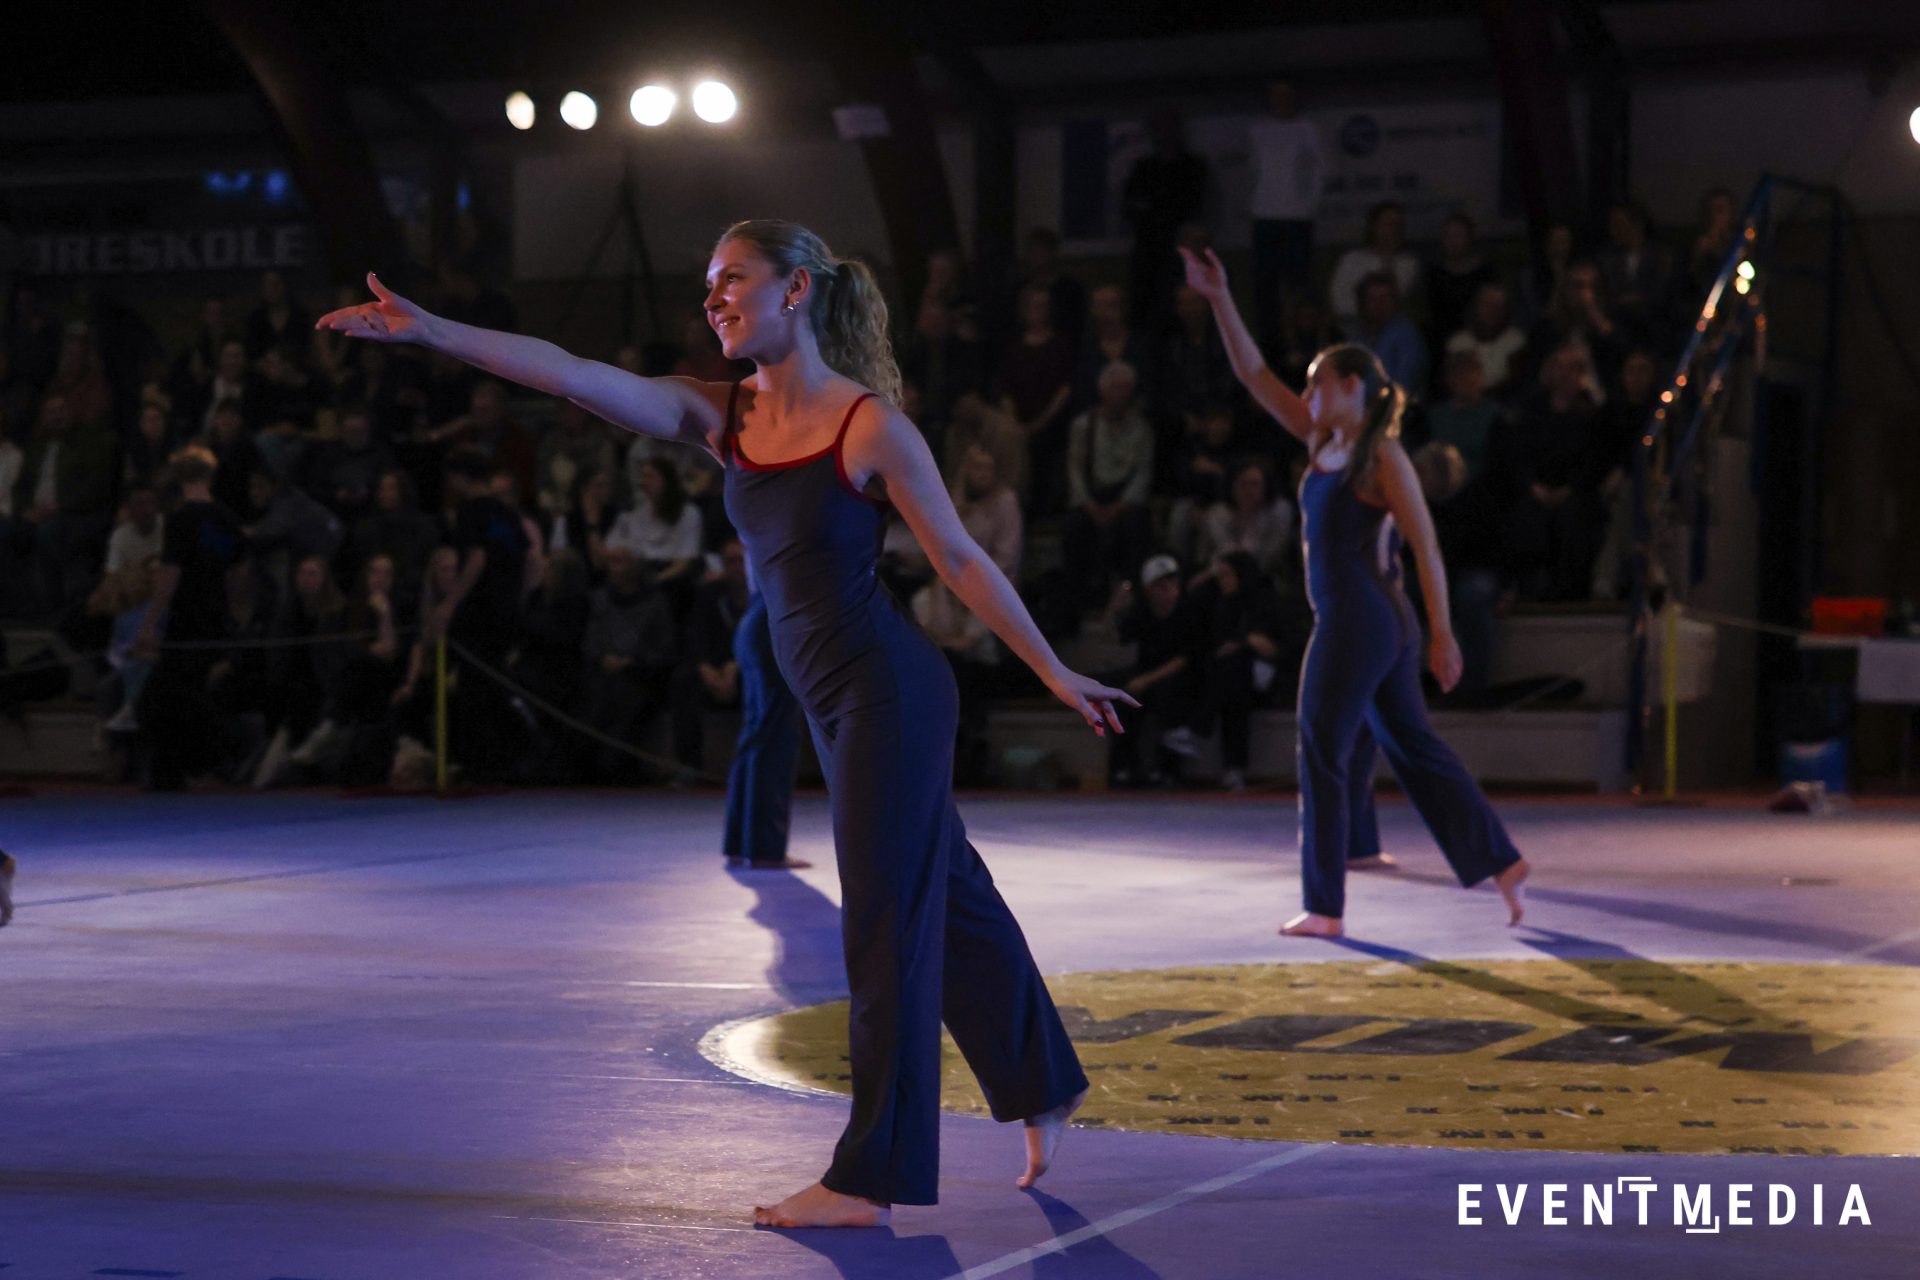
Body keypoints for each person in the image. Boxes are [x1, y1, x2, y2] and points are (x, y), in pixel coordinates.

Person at [318, 218, 1133, 1226]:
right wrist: (436, 331)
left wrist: (1051, 669)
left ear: (796, 289)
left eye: (732, 279)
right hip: (831, 693)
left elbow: (960, 559)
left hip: (887, 691)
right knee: (949, 889)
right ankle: (1043, 1080)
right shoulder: (721, 413)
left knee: (885, 922)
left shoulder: (869, 426)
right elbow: (572, 374)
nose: (712, 299)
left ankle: (869, 1177)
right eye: (708, 284)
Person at [1180, 243, 1530, 937]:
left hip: (1361, 618)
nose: (1308, 397)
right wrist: (1219, 298)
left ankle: (1325, 907)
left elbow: (1425, 545)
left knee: (1320, 745)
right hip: (1371, 619)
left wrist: (1444, 633)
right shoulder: (1322, 442)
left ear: (1352, 387)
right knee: (1411, 744)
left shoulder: (1383, 455)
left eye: (1317, 386)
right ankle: (1502, 861)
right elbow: (1252, 373)